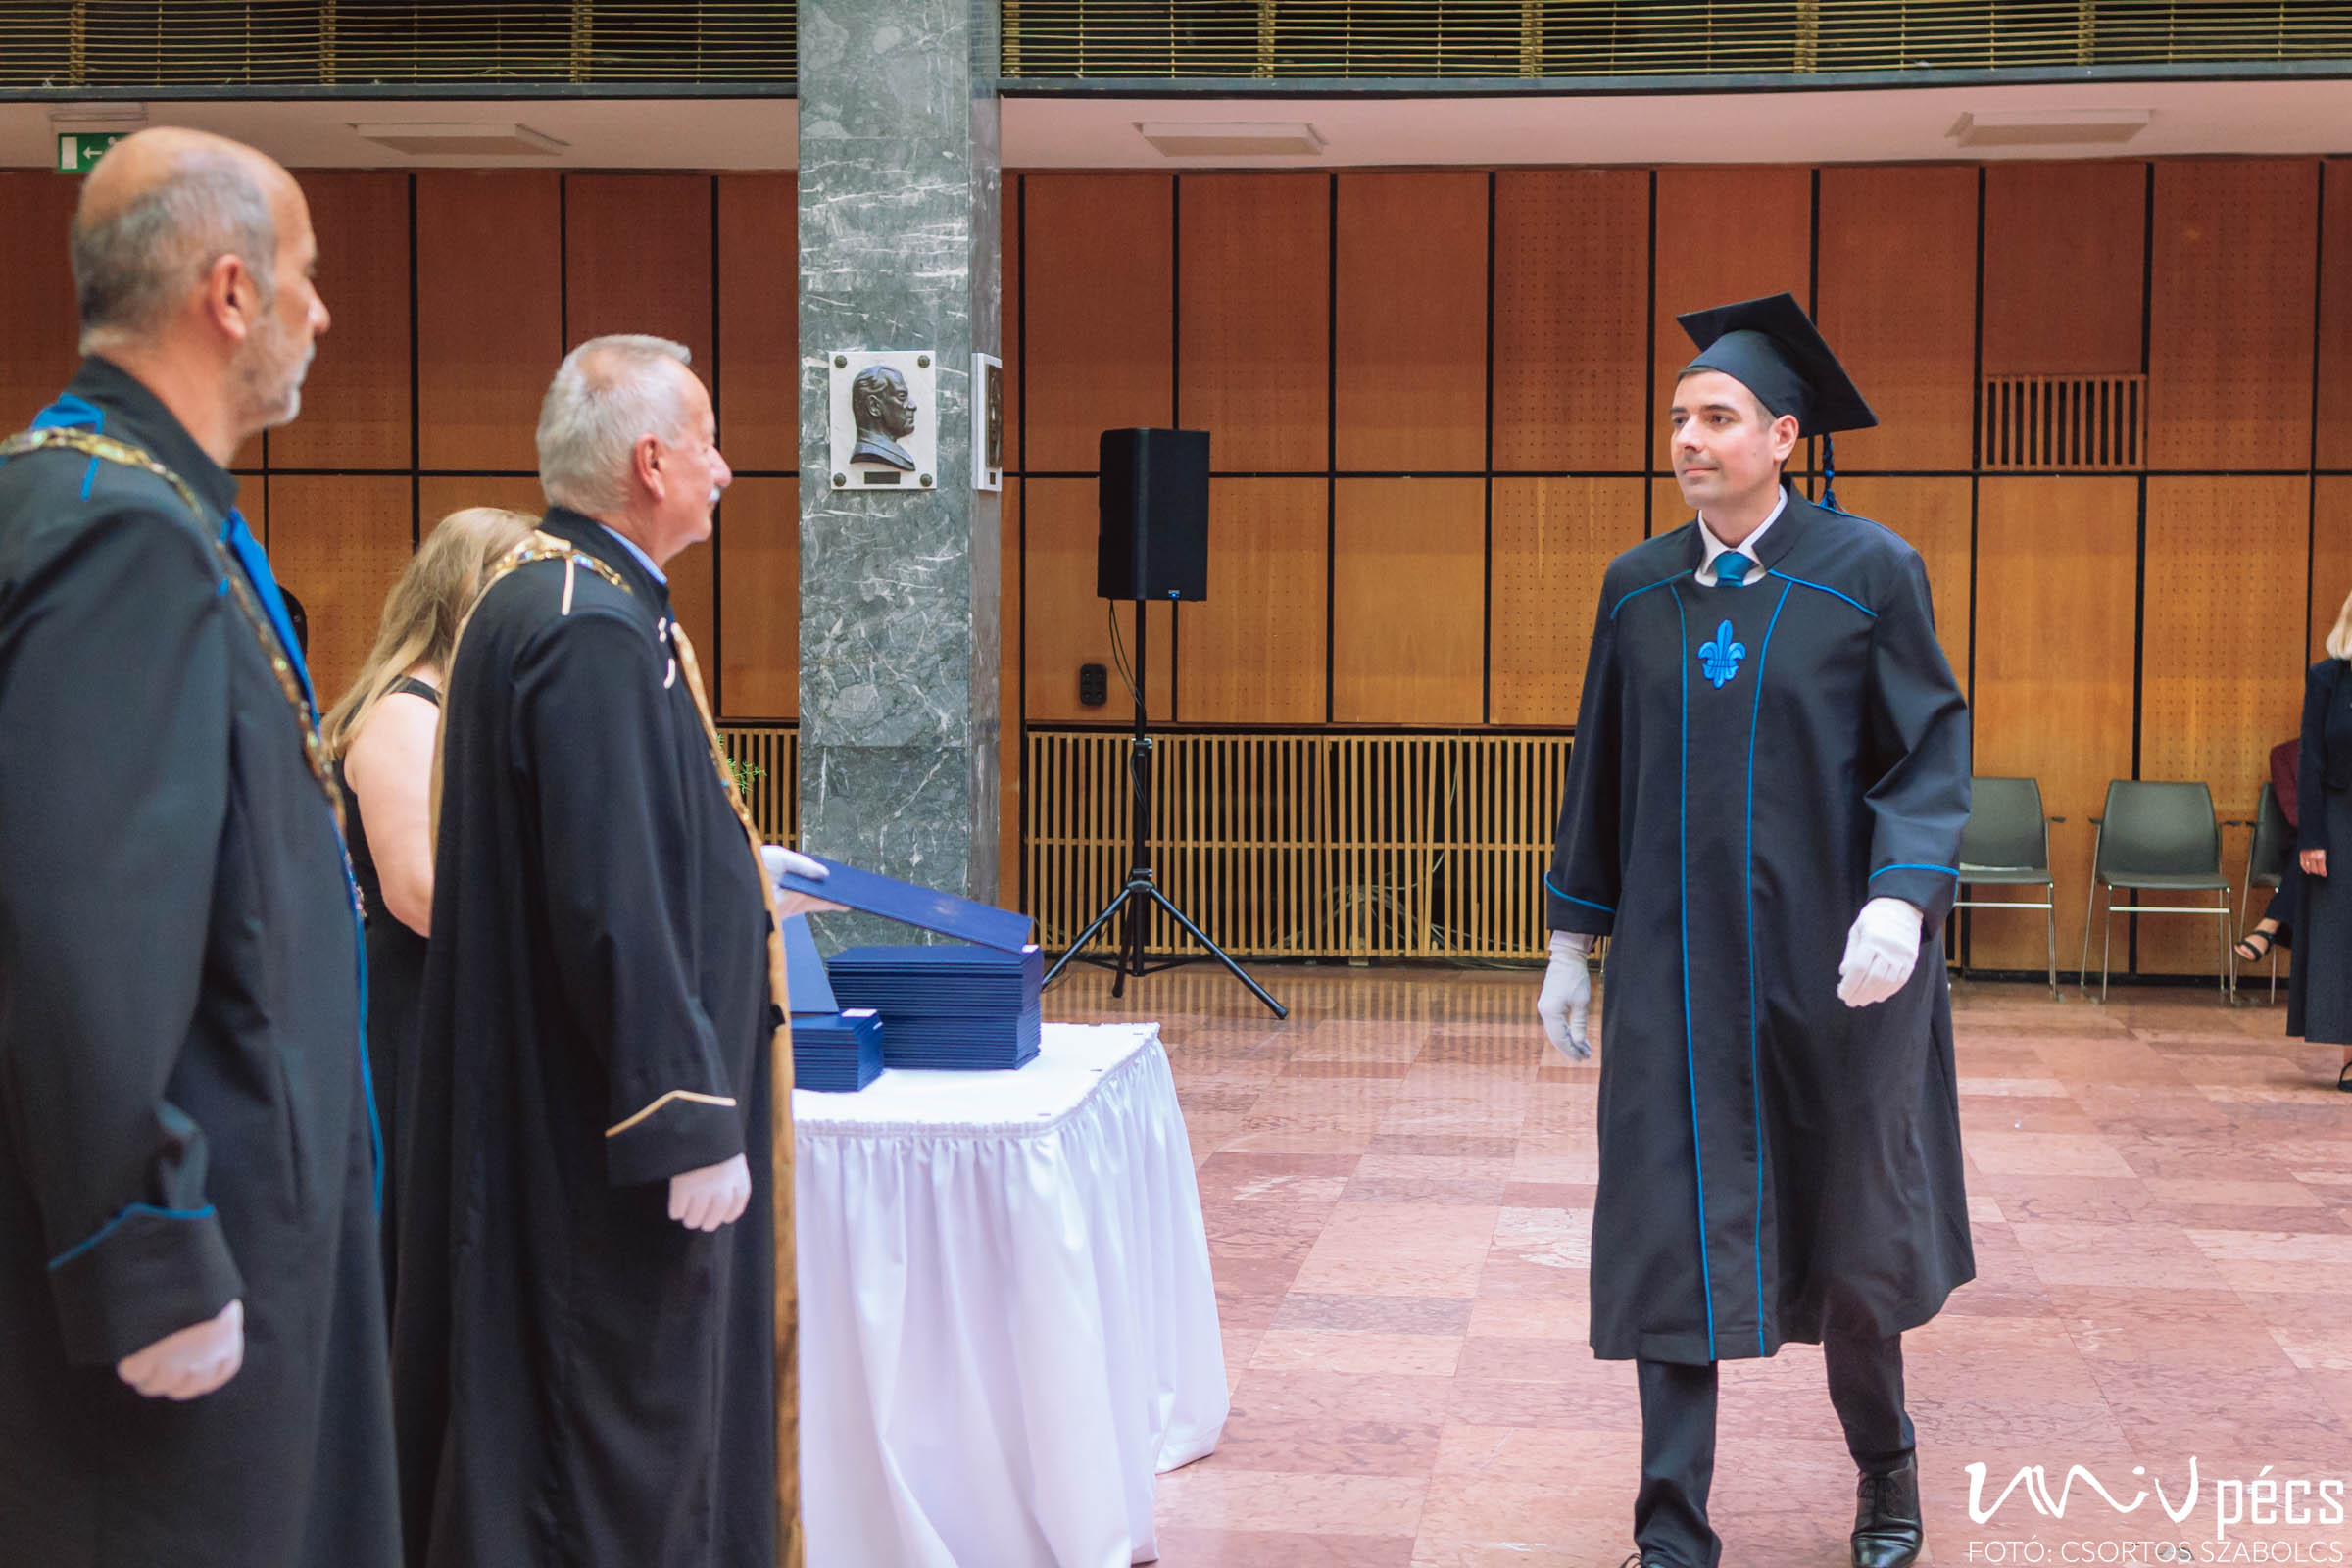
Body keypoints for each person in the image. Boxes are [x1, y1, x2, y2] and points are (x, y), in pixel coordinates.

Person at [0, 127, 399, 1565]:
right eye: (306, 277)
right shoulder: (121, 536)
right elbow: (87, 926)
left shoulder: (118, 502)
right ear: (230, 292)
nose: (321, 314)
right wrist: (144, 1252)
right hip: (192, 1253)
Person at [1537, 293, 1971, 1568]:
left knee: (1850, 1232)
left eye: (1718, 417)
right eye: (1680, 417)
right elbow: (1601, 768)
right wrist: (1571, 939)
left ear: (1783, 435)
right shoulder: (1639, 590)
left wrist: (1902, 894)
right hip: (1675, 974)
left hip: (1833, 970)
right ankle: (1671, 1529)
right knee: (1669, 1235)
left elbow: (1928, 750)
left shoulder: (1868, 572)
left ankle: (1885, 1468)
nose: (1690, 438)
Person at [393, 335, 835, 1567]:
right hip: (600, 1143)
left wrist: (735, 873)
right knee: (609, 1434)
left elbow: (618, 844)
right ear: (650, 461)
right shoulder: (587, 626)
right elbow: (605, 896)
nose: (724, 468)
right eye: (708, 442)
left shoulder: (556, 598)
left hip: (563, 1113)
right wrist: (682, 1113)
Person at [322, 505, 536, 1299]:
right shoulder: (405, 714)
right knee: (419, 1246)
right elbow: (420, 895)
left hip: (451, 995)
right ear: (468, 596)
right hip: (413, 1008)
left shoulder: (458, 707)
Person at [2291, 588, 2352, 1086]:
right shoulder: (2326, 678)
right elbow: (2309, 759)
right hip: (2341, 816)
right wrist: (2312, 836)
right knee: (2344, 937)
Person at [2235, 738, 2302, 967]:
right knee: (2313, 851)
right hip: (2306, 844)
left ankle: (2270, 926)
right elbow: (2294, 814)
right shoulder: (2284, 754)